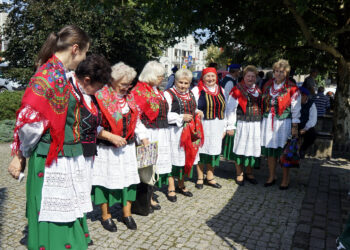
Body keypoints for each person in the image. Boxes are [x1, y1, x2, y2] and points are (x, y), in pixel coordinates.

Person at [7, 25, 105, 250]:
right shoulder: (48, 76)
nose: (83, 59)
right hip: (51, 161)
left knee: (68, 216)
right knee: (55, 221)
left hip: (65, 157)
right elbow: (29, 122)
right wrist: (20, 154)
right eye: (84, 53)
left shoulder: (62, 74)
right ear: (75, 49)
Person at [91, 62, 150, 232]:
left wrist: (144, 136)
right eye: (124, 84)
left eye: (129, 84)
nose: (127, 88)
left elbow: (136, 120)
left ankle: (127, 213)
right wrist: (110, 136)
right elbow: (91, 124)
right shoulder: (99, 97)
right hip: (106, 149)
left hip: (127, 148)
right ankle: (106, 215)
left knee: (129, 181)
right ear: (112, 81)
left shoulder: (129, 97)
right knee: (104, 181)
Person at [131, 61, 172, 210]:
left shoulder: (157, 90)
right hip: (148, 132)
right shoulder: (139, 91)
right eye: (159, 76)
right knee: (147, 166)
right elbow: (135, 116)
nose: (162, 78)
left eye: (162, 76)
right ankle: (144, 199)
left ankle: (151, 195)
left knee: (154, 166)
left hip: (161, 132)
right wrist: (142, 136)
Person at [164, 69, 204, 201]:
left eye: (186, 83)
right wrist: (181, 117)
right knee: (172, 160)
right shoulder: (168, 94)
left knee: (184, 159)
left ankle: (181, 184)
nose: (183, 85)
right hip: (174, 132)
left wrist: (198, 112)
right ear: (175, 81)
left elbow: (192, 108)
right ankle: (171, 187)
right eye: (180, 82)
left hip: (189, 132)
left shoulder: (191, 94)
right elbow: (164, 114)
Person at [261, 59, 301, 190]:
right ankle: (272, 176)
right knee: (271, 151)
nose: (278, 74)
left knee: (284, 152)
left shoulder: (292, 88)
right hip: (268, 121)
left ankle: (285, 179)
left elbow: (296, 108)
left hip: (284, 122)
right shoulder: (267, 85)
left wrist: (295, 126)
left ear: (287, 73)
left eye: (282, 72)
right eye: (276, 71)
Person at [224, 65, 261, 186]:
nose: (250, 78)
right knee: (240, 149)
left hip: (255, 124)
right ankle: (239, 173)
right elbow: (230, 109)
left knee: (252, 148)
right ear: (243, 77)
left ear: (256, 78)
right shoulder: (237, 89)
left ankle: (250, 173)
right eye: (248, 76)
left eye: (253, 76)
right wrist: (230, 126)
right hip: (242, 123)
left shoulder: (258, 90)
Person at [192, 67, 226, 189]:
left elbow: (225, 109)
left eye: (213, 76)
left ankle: (210, 177)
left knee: (214, 152)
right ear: (203, 77)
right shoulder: (197, 90)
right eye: (208, 76)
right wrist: (197, 111)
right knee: (202, 151)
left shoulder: (221, 89)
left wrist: (225, 128)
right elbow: (191, 106)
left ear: (216, 77)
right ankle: (200, 177)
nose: (210, 78)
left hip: (218, 125)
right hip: (203, 125)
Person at [298, 87, 317, 159]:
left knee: (312, 135)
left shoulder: (311, 104)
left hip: (305, 125)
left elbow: (313, 119)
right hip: (295, 124)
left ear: (305, 96)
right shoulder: (294, 102)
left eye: (300, 96)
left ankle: (303, 149)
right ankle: (289, 150)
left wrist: (305, 129)